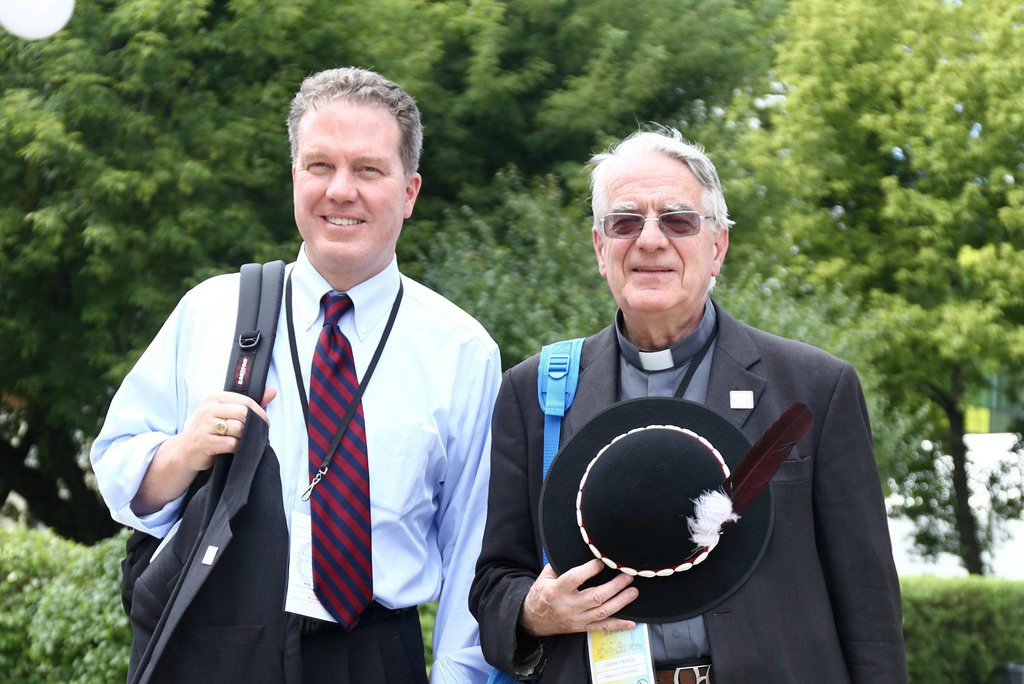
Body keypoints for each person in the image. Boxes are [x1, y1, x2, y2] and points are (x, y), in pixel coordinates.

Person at [91, 66, 501, 684]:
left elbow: (472, 545)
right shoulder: (211, 310)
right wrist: (185, 452)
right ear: (294, 178)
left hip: (375, 655)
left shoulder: (463, 350)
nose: (341, 190)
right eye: (319, 166)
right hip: (221, 648)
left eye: (368, 169)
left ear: (410, 191)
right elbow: (121, 476)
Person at [470, 127, 907, 683]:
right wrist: (534, 612)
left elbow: (869, 606)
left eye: (678, 221)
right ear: (601, 248)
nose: (650, 241)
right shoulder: (534, 393)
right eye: (625, 222)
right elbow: (492, 586)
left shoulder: (813, 387)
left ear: (717, 245)